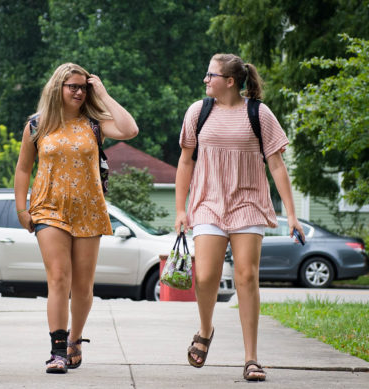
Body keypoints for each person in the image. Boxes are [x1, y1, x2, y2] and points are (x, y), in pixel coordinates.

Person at [174, 53, 305, 382]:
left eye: (211, 75)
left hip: (248, 201)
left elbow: (276, 165)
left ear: (230, 82)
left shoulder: (258, 114)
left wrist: (291, 215)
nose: (205, 80)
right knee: (205, 277)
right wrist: (180, 209)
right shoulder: (198, 112)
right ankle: (205, 330)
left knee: (247, 277)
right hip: (207, 203)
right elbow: (186, 161)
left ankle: (251, 358)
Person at [14, 63, 138, 374]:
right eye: (73, 86)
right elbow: (23, 169)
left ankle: (75, 338)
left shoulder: (95, 123)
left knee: (83, 286)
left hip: (88, 209)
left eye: (84, 87)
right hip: (48, 208)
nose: (79, 92)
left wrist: (104, 94)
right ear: (58, 88)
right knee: (59, 277)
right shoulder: (36, 125)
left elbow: (129, 129)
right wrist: (21, 208)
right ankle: (57, 351)